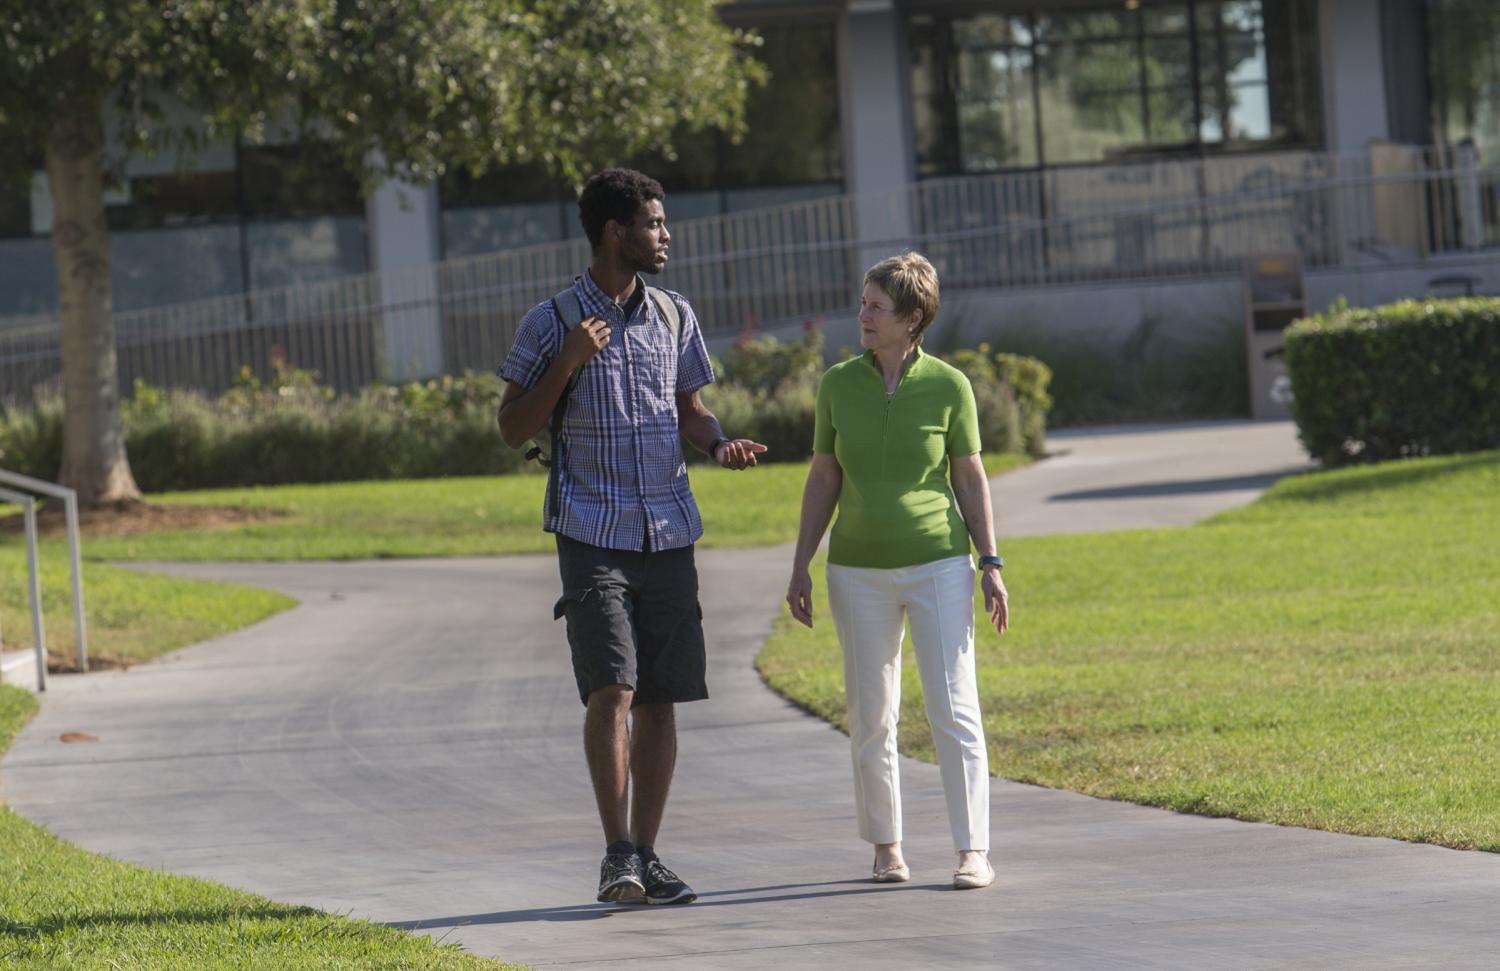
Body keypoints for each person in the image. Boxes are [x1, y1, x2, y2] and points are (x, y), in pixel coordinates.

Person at [498, 168, 766, 905]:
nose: (664, 234)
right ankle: (616, 850)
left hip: (670, 528)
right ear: (616, 232)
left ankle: (646, 855)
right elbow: (511, 425)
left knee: (661, 698)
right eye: (653, 223)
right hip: (591, 527)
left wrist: (718, 444)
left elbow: (693, 408)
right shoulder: (551, 320)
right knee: (612, 685)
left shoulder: (674, 315)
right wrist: (567, 362)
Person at [785, 252, 1009, 891]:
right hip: (855, 569)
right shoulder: (837, 384)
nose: (863, 316)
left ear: (912, 319)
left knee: (953, 708)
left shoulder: (949, 385)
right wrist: (801, 563)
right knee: (871, 714)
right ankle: (886, 846)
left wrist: (990, 561)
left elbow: (969, 474)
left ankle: (972, 850)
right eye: (862, 304)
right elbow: (823, 476)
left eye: (876, 307)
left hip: (939, 561)